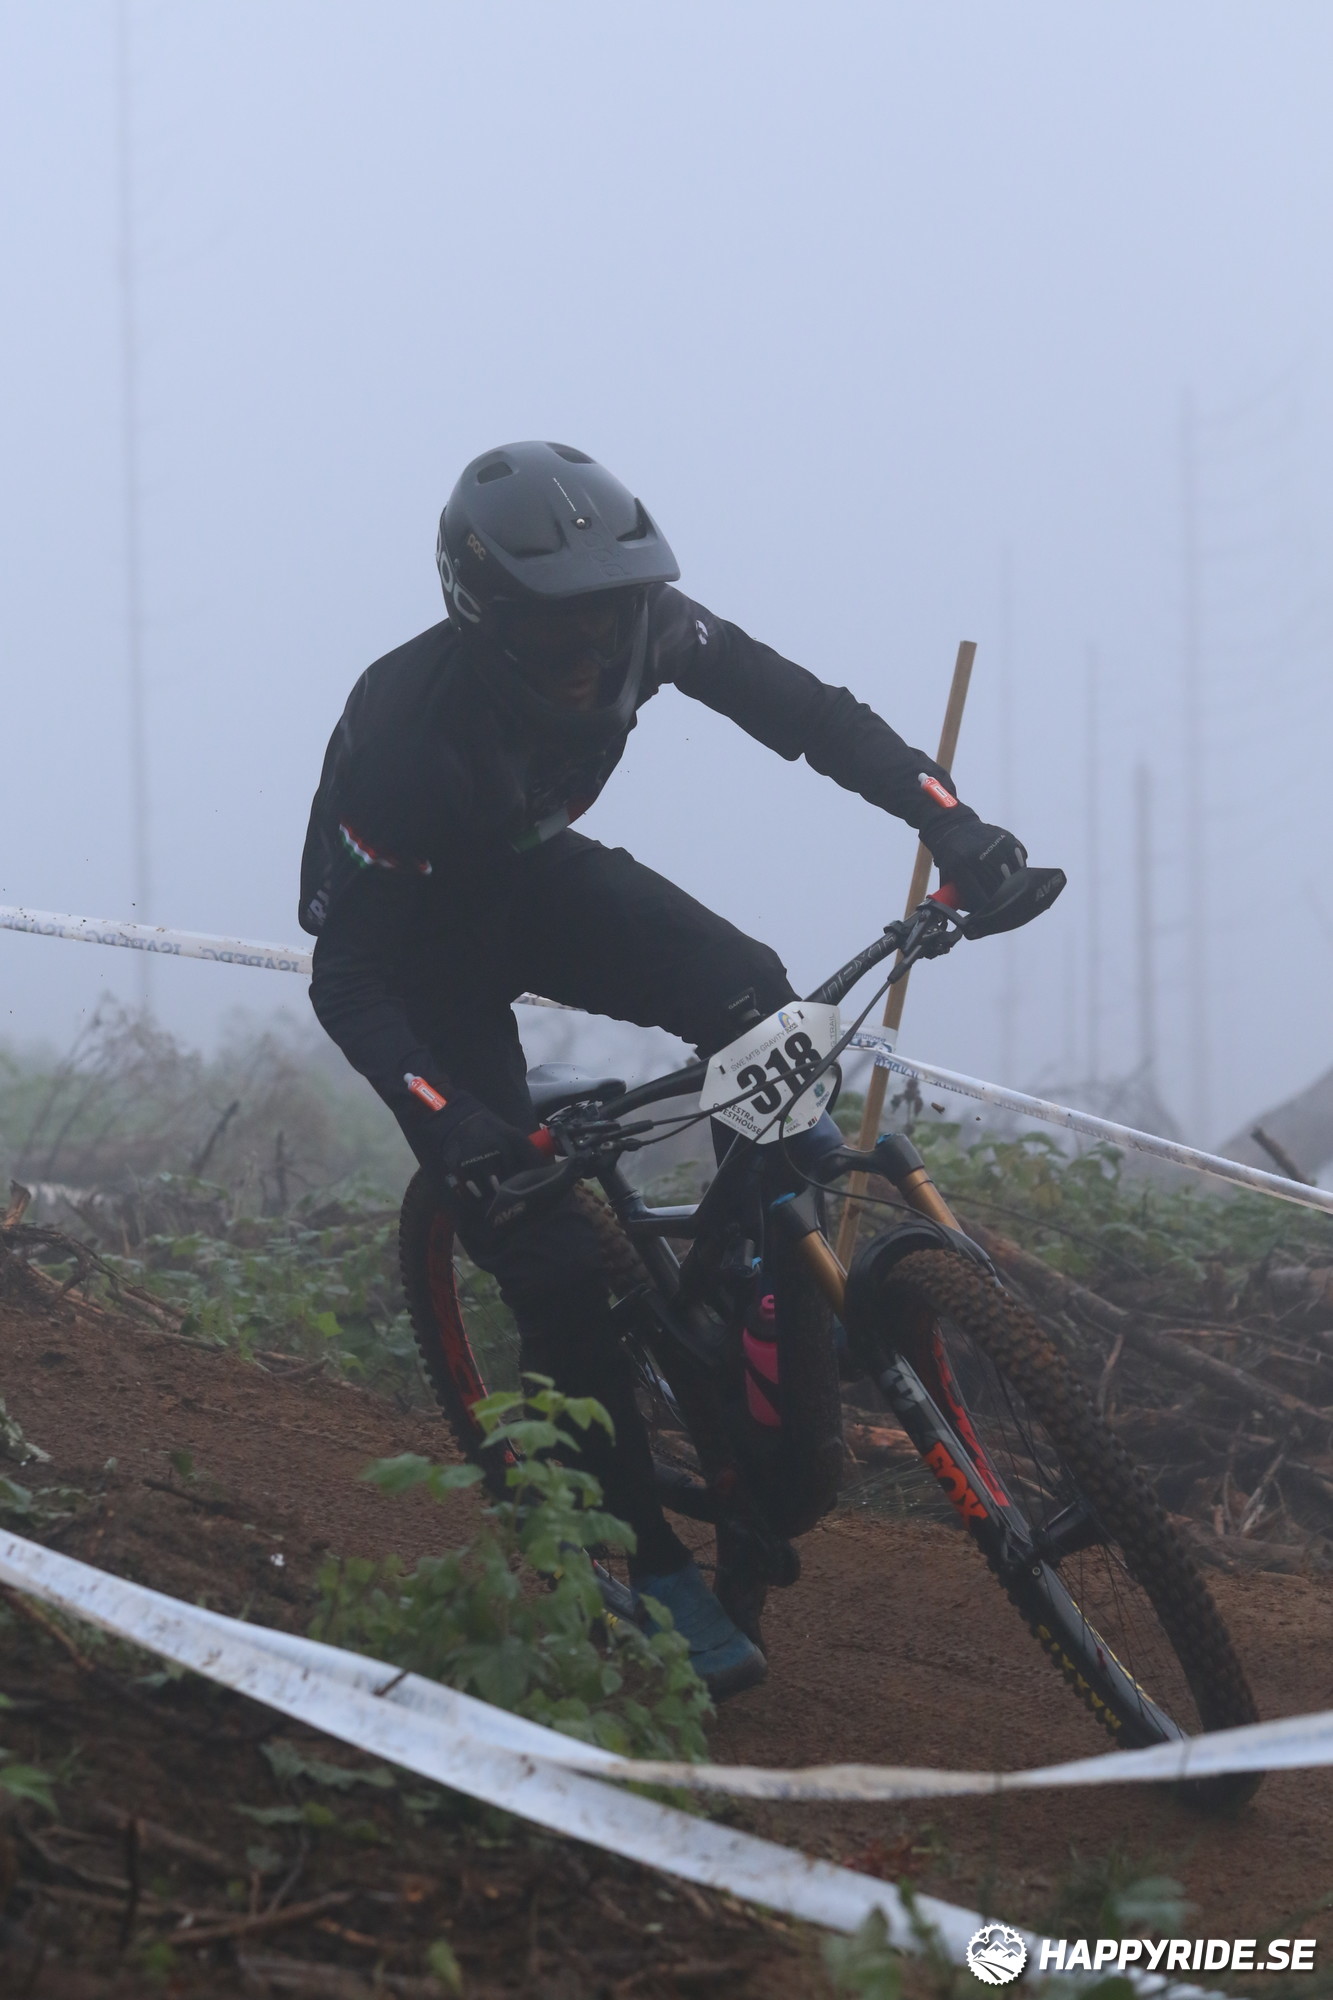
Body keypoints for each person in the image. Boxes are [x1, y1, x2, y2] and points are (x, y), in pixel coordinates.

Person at [300, 441, 1036, 1698]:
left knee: (753, 992)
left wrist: (946, 817)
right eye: (560, 627)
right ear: (488, 620)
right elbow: (348, 980)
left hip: (528, 874)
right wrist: (454, 1123)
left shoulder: (652, 627)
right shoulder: (408, 738)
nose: (593, 650)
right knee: (546, 1253)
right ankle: (633, 1550)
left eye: (610, 613)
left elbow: (810, 717)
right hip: (413, 946)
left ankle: (755, 1280)